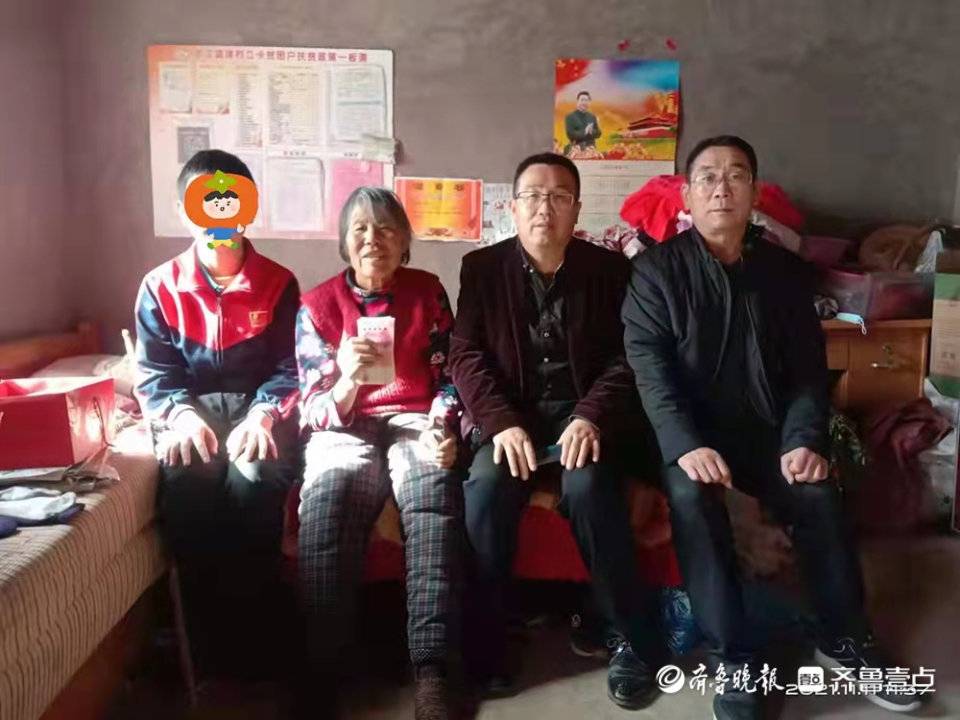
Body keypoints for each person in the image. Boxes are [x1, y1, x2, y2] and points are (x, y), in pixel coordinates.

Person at [622, 135, 924, 718]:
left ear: (754, 193)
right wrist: (685, 446)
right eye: (708, 177)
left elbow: (810, 373)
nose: (722, 188)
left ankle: (844, 637)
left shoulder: (784, 273)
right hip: (693, 440)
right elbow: (650, 374)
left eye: (736, 175)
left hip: (769, 435)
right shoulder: (655, 273)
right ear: (687, 196)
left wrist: (803, 439)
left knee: (816, 489)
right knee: (691, 498)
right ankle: (735, 656)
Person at [450, 152, 662, 710]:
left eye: (559, 197)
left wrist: (590, 415)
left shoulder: (610, 271)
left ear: (577, 209)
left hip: (584, 421)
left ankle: (630, 638)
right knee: (486, 488)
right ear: (513, 207)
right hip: (512, 424)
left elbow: (627, 357)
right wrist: (500, 423)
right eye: (533, 196)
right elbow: (465, 355)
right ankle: (489, 638)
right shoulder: (481, 269)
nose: (545, 207)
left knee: (591, 489)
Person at [296, 187, 463, 720]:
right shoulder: (317, 306)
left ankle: (431, 670)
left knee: (432, 492)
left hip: (414, 418)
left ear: (405, 240)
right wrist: (346, 379)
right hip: (347, 423)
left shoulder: (427, 291)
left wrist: (441, 424)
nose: (374, 239)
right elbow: (312, 407)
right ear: (345, 242)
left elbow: (450, 374)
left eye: (387, 228)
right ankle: (323, 670)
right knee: (329, 493)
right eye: (361, 229)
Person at [134, 149, 300, 675]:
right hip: (192, 414)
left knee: (254, 481)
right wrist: (180, 417)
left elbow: (291, 366)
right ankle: (203, 643)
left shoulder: (279, 283)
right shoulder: (158, 287)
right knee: (187, 483)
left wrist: (263, 416)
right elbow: (155, 374)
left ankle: (258, 636)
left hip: (259, 414)